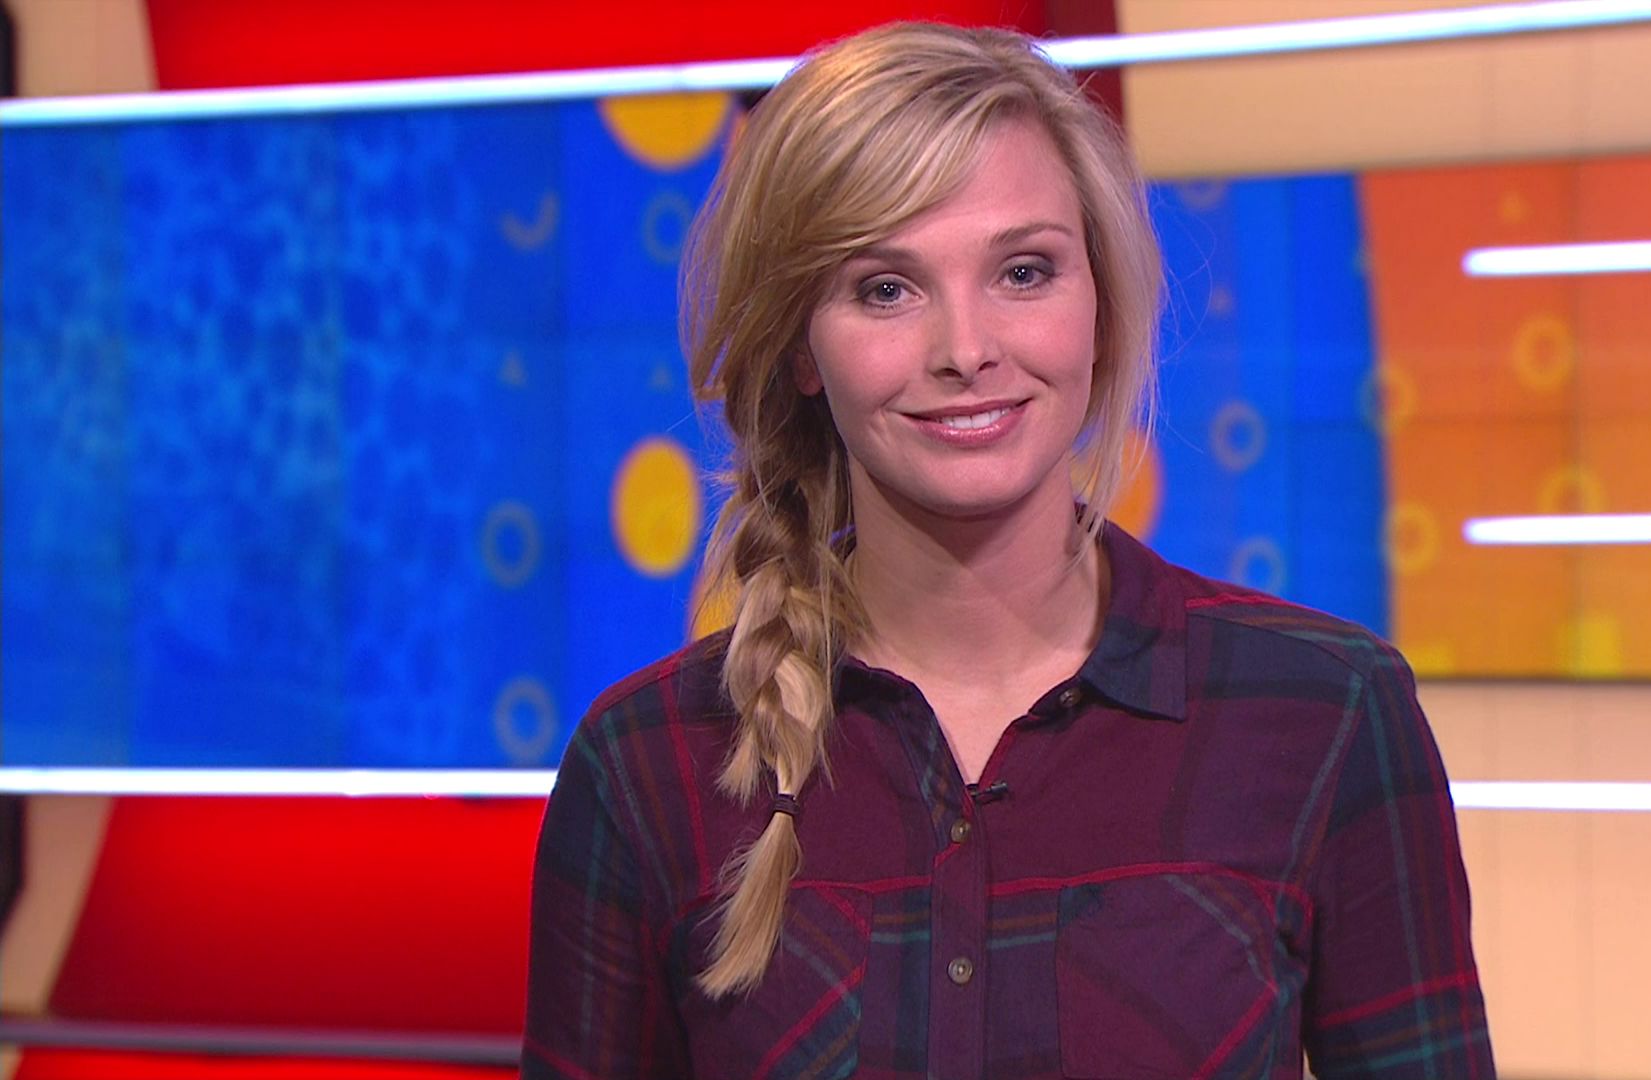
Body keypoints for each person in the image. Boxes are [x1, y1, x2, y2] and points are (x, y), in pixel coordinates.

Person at [523, 21, 1492, 1080]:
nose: (966, 349)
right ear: (801, 346)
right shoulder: (645, 765)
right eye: (885, 288)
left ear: (1099, 308)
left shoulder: (1324, 714)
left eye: (1024, 272)